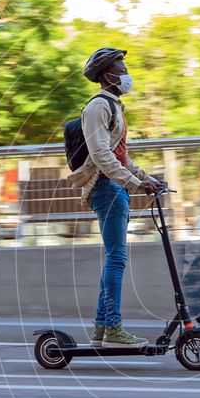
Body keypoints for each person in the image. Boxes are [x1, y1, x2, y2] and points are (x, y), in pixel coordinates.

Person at [68, 47, 163, 348]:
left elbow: (121, 155)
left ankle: (101, 326)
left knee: (115, 257)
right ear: (106, 74)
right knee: (117, 257)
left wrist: (146, 178)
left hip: (116, 186)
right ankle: (113, 327)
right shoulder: (97, 107)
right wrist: (134, 184)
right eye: (121, 68)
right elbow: (100, 154)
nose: (126, 73)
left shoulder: (115, 106)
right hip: (106, 188)